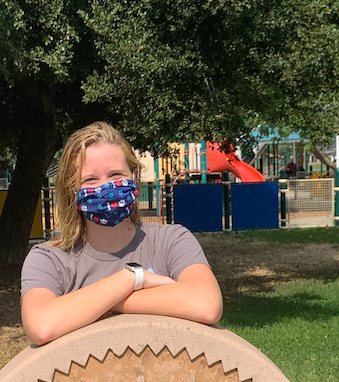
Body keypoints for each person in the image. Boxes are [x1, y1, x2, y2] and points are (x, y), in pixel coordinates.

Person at [20, 122, 224, 345]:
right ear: (72, 188)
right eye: (90, 179)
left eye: (116, 174)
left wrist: (106, 302)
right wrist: (134, 278)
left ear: (134, 176)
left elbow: (207, 304)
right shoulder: (49, 259)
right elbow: (41, 326)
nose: (106, 187)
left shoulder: (171, 240)